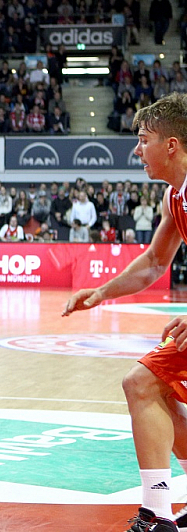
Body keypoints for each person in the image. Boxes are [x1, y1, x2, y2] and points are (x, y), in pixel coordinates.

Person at [63, 93, 187, 532]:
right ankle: (161, 512)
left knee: (143, 383)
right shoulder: (177, 196)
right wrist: (101, 292)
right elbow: (155, 262)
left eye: (143, 139)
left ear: (170, 145)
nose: (137, 150)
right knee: (152, 385)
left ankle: (158, 514)